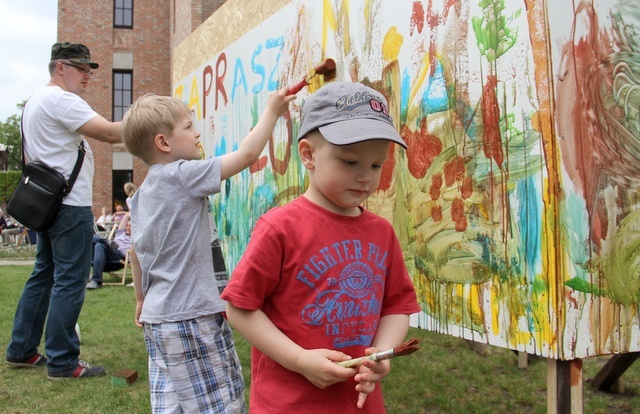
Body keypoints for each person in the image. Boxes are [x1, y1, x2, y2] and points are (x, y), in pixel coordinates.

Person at [220, 82, 421, 413]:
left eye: (376, 165)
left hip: (360, 404)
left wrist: (382, 354)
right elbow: (240, 310)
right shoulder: (280, 227)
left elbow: (397, 306)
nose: (365, 178)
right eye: (350, 161)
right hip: (289, 404)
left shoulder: (382, 232)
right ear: (309, 154)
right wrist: (299, 359)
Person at [122, 88, 295, 413]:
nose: (197, 132)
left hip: (158, 322)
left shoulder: (141, 195)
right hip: (193, 316)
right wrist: (272, 110)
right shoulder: (183, 174)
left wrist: (141, 300)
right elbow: (245, 156)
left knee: (171, 406)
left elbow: (135, 252)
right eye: (188, 127)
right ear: (164, 143)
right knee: (219, 404)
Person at [5, 42, 122, 379]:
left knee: (44, 274)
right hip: (69, 206)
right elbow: (110, 132)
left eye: (89, 70)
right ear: (60, 67)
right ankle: (61, 360)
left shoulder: (35, 100)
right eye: (81, 68)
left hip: (47, 204)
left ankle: (22, 349)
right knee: (70, 280)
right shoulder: (61, 99)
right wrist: (157, 123)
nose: (87, 76)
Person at [87, 213, 131, 290]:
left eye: (130, 226)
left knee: (99, 245)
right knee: (89, 237)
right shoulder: (121, 233)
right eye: (127, 225)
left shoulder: (135, 237)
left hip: (119, 256)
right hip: (105, 256)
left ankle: (96, 280)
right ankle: (106, 241)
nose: (127, 227)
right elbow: (127, 215)